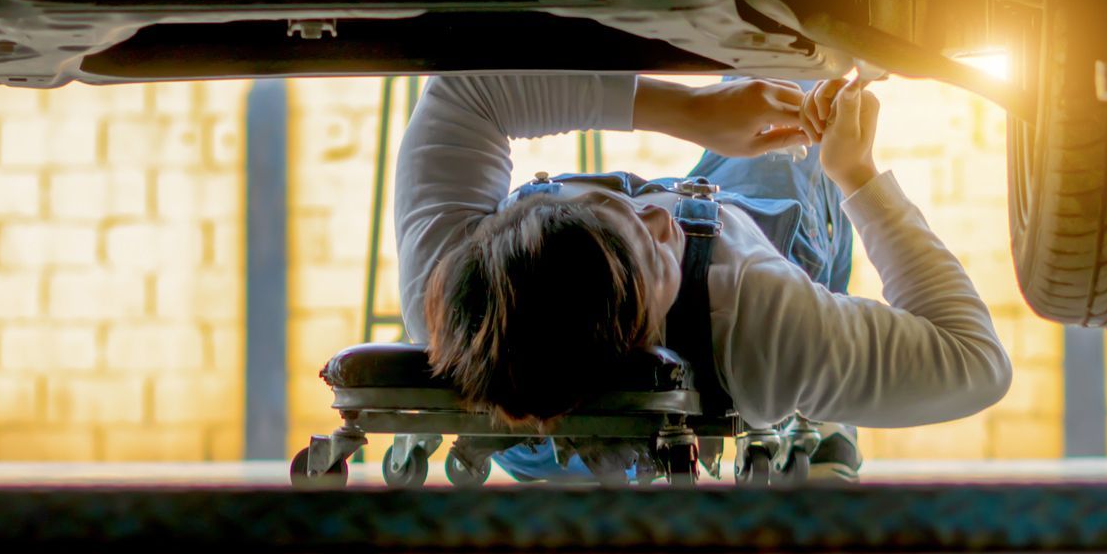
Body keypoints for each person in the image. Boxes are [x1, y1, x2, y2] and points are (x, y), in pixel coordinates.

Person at [394, 73, 1012, 481]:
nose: (658, 210)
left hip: (525, 448)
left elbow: (466, 89)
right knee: (795, 83)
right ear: (648, 357)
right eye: (656, 252)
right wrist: (857, 174)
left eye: (610, 205)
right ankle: (822, 411)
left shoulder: (451, 291)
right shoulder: (763, 324)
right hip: (742, 296)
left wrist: (689, 110)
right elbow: (976, 363)